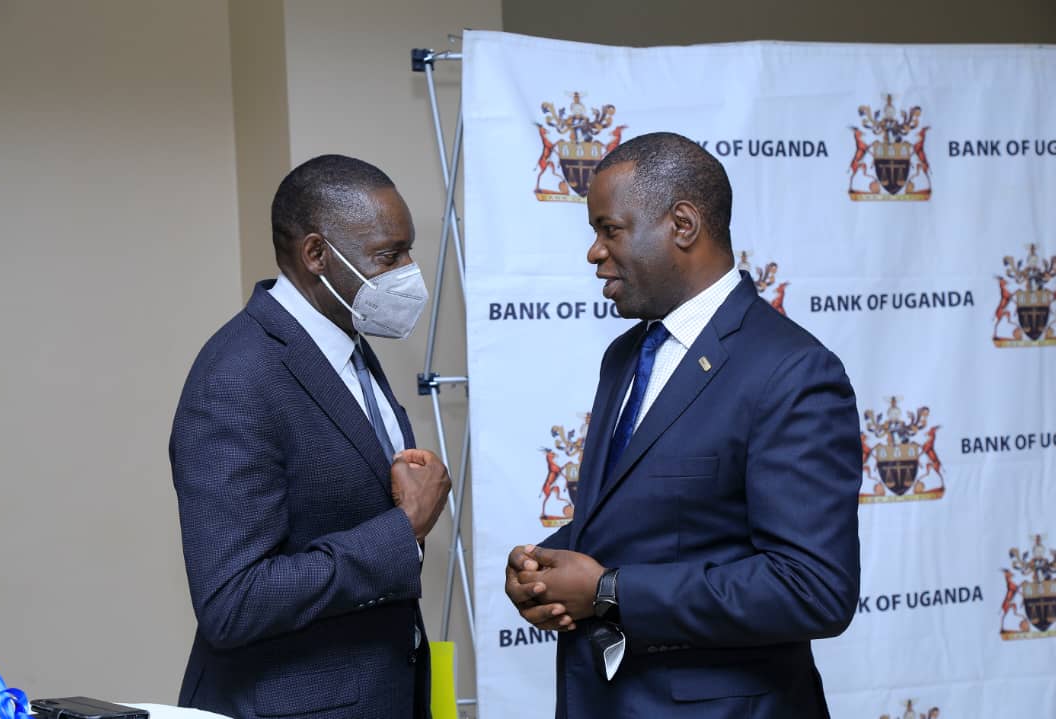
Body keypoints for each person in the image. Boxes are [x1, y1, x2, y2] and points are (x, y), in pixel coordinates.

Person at [505, 132, 861, 718]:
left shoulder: (791, 371)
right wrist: (545, 565)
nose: (594, 252)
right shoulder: (625, 356)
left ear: (683, 225)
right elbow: (648, 521)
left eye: (609, 229)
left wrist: (607, 592)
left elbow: (812, 588)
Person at [171, 154, 450, 719]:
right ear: (317, 255)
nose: (408, 272)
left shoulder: (344, 341)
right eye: (389, 256)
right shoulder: (237, 377)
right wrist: (402, 530)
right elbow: (233, 601)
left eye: (409, 250)